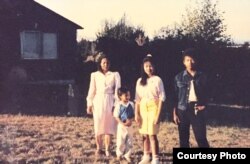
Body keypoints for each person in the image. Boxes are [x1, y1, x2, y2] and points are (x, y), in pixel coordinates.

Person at [173, 48, 209, 148]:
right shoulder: (178, 77)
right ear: (184, 62)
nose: (190, 62)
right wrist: (175, 113)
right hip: (182, 110)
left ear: (196, 60)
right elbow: (175, 97)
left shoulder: (203, 76)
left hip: (197, 109)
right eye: (187, 60)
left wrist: (204, 106)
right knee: (183, 139)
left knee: (201, 138)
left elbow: (209, 93)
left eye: (192, 59)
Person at [86, 53, 121, 156]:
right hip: (98, 101)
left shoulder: (115, 74)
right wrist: (89, 104)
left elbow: (118, 90)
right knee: (98, 125)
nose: (105, 64)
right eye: (103, 63)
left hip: (110, 100)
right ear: (100, 64)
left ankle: (107, 149)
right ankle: (98, 148)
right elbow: (91, 90)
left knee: (109, 126)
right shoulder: (94, 75)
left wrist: (116, 104)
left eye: (107, 63)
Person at [135, 54, 166, 164]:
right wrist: (136, 114)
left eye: (151, 66)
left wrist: (158, 115)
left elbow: (162, 98)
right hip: (143, 107)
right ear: (143, 67)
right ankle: (146, 155)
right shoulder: (139, 81)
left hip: (154, 106)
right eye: (146, 66)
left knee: (152, 134)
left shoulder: (158, 80)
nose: (149, 68)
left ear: (154, 66)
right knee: (144, 134)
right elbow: (137, 99)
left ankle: (155, 157)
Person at [113, 87, 134, 162]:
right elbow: (116, 116)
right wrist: (122, 123)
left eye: (129, 95)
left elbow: (133, 115)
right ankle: (119, 154)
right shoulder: (119, 105)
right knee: (120, 141)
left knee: (129, 141)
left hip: (130, 126)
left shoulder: (131, 104)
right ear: (120, 96)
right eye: (126, 95)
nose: (128, 97)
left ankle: (127, 155)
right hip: (121, 127)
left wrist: (130, 121)